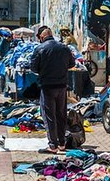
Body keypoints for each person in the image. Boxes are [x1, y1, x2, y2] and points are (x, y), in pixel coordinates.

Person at [30, 26, 76, 154]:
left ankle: (53, 145)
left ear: (42, 37)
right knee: (61, 115)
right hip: (62, 86)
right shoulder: (64, 47)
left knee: (49, 116)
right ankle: (62, 143)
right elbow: (72, 64)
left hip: (47, 87)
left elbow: (33, 68)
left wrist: (44, 70)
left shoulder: (39, 48)